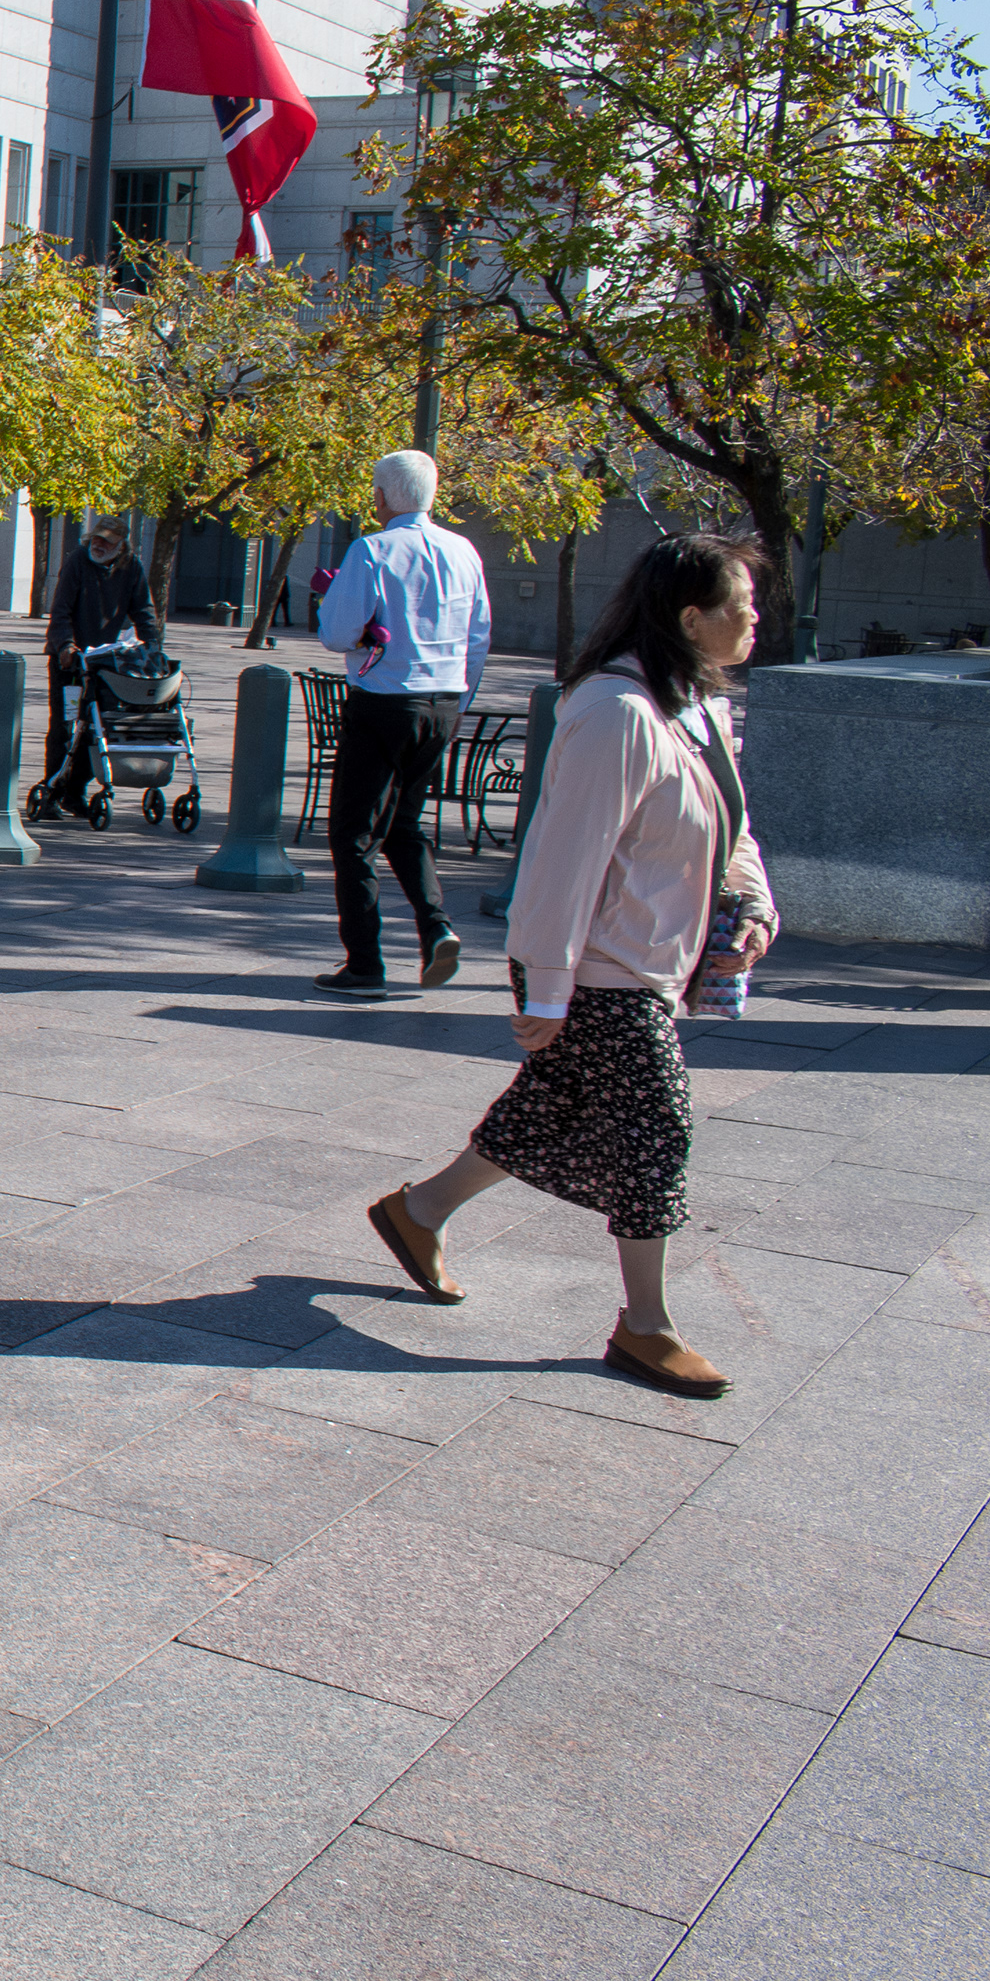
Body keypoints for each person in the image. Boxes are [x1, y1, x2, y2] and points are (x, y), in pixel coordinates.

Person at [362, 533, 777, 1398]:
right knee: (654, 1136)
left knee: (551, 1109)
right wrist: (544, 990)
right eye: (741, 604)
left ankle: (420, 1210)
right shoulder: (616, 714)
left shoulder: (697, 707)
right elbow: (560, 862)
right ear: (691, 617)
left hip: (651, 965)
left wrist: (755, 902)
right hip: (600, 969)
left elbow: (729, 823)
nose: (755, 618)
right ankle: (645, 1326)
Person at [313, 448, 492, 997]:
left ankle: (365, 963)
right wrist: (460, 700)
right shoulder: (465, 551)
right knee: (406, 826)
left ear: (383, 495)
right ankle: (435, 925)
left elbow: (338, 633)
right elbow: (479, 635)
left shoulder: (372, 550)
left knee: (353, 834)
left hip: (385, 699)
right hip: (443, 702)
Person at [39, 519, 162, 814]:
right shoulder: (77, 562)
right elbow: (60, 611)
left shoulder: (131, 566)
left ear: (121, 546)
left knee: (95, 727)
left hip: (104, 661)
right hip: (70, 662)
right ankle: (52, 792)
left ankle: (75, 792)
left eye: (107, 542)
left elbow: (143, 612)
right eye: (97, 539)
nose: (99, 545)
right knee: (66, 727)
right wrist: (66, 645)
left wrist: (153, 649)